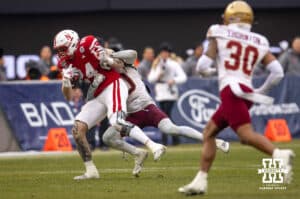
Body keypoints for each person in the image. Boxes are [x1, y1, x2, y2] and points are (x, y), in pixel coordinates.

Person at [178, 1, 295, 195]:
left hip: (231, 91)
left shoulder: (219, 32)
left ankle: (279, 154)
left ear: (228, 17)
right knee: (209, 133)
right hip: (245, 91)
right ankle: (200, 181)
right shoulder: (259, 40)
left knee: (245, 136)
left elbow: (201, 66)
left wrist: (213, 70)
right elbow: (277, 72)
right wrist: (259, 90)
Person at [53, 30, 165, 180]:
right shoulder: (67, 64)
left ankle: (153, 145)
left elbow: (115, 63)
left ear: (73, 43)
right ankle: (91, 170)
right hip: (98, 94)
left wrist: (107, 59)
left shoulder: (86, 44)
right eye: (58, 50)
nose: (61, 53)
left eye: (63, 48)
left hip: (113, 84)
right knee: (77, 130)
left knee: (117, 122)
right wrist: (66, 84)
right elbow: (69, 96)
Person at [101, 63, 230, 160]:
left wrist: (109, 56)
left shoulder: (129, 68)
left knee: (171, 129)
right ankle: (138, 153)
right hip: (132, 115)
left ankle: (213, 140)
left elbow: (130, 54)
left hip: (147, 109)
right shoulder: (109, 79)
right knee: (108, 137)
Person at [148, 42, 187, 145]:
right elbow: (150, 79)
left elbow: (183, 77)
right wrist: (158, 75)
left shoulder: (174, 64)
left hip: (170, 91)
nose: (164, 54)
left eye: (166, 52)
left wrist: (173, 80)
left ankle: (168, 139)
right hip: (160, 92)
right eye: (163, 52)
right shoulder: (156, 63)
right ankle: (173, 139)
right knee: (165, 115)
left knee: (166, 115)